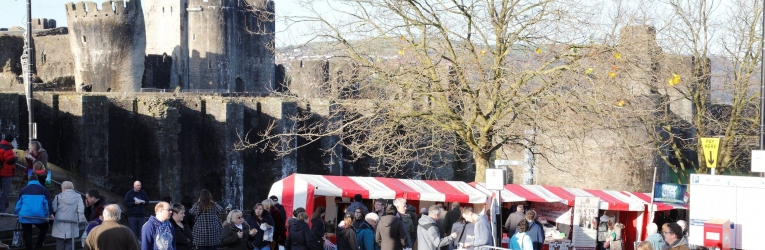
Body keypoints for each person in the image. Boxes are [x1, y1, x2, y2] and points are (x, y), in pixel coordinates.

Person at [16, 173, 51, 250]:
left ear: (29, 181)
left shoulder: (23, 190)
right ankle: (38, 245)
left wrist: (17, 213)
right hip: (39, 215)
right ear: (37, 180)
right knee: (44, 227)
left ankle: (30, 248)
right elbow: (48, 204)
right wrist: (47, 214)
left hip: (25, 215)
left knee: (27, 233)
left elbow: (18, 204)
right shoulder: (43, 189)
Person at [51, 181, 86, 250]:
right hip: (72, 222)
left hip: (59, 223)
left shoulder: (58, 197)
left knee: (59, 242)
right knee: (70, 243)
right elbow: (81, 210)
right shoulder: (78, 196)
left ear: (63, 188)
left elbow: (53, 209)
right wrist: (81, 220)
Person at [0, 134, 18, 213]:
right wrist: (15, 157)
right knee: (5, 192)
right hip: (6, 173)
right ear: (10, 141)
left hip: (1, 172)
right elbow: (10, 160)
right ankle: (2, 209)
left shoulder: (0, 145)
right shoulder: (7, 148)